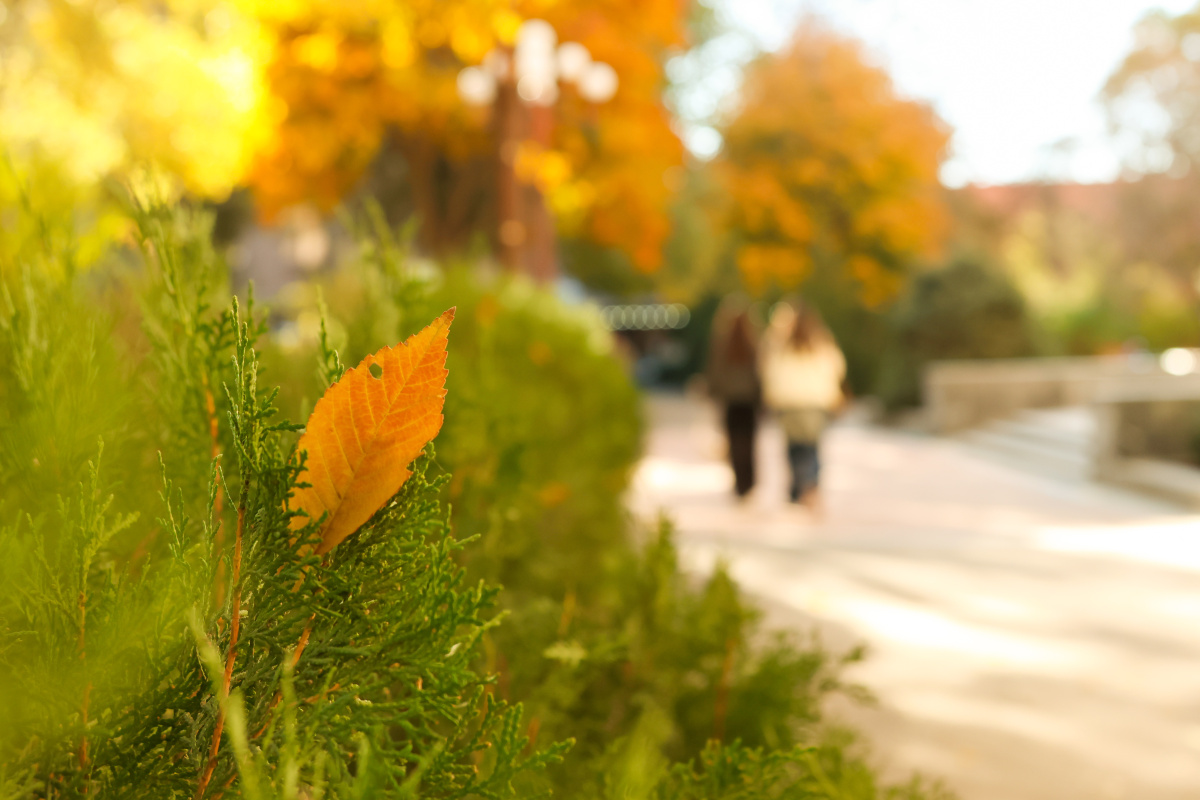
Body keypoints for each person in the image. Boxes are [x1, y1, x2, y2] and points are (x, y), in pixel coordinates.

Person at [761, 300, 845, 510]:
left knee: (794, 448)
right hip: (815, 402)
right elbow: (836, 368)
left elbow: (770, 372)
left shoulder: (780, 344)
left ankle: (801, 488)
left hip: (789, 403)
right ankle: (809, 486)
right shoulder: (821, 342)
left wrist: (771, 396)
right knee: (811, 448)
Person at [706, 298, 761, 499]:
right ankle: (750, 481)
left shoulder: (723, 342)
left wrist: (713, 392)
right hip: (749, 400)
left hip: (731, 400)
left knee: (735, 442)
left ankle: (741, 484)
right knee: (749, 442)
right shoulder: (753, 342)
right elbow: (759, 372)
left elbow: (716, 370)